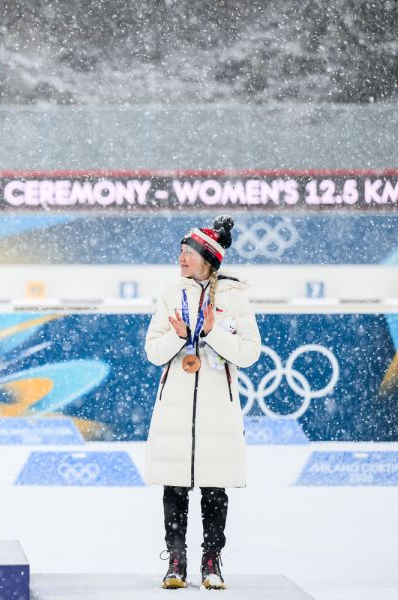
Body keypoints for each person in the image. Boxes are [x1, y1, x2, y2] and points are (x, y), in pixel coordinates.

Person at [143, 216, 261, 590]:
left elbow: (249, 353)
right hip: (174, 408)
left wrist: (211, 334)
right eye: (179, 251)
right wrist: (179, 338)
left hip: (217, 411)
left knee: (214, 487)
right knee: (174, 487)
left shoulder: (235, 298)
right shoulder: (169, 294)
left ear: (206, 257)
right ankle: (176, 561)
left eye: (187, 252)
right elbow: (152, 351)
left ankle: (212, 561)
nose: (180, 258)